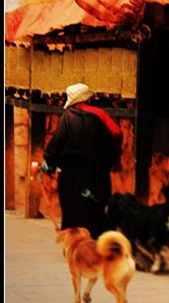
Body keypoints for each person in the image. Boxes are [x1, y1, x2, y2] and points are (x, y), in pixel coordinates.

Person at [41, 82, 123, 238]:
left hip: (72, 173)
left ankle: (75, 241)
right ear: (88, 99)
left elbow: (57, 142)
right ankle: (98, 240)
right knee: (97, 210)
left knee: (72, 209)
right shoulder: (100, 114)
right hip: (97, 172)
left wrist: (49, 162)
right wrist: (112, 156)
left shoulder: (68, 117)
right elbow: (116, 132)